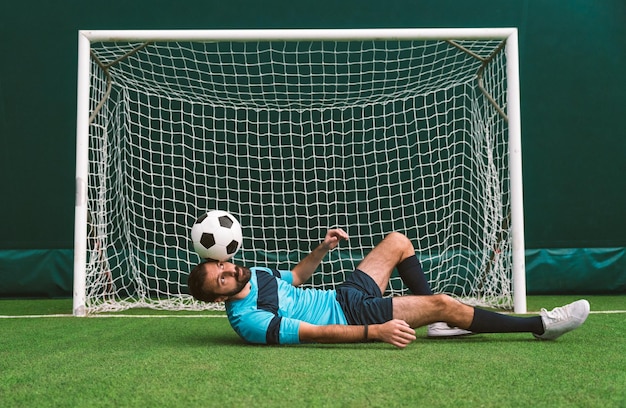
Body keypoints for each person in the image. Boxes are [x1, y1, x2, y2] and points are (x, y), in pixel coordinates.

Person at [188, 229, 590, 348]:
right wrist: (375, 332)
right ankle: (540, 324)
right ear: (220, 298)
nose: (228, 269)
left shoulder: (253, 272)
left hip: (343, 296)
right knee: (442, 304)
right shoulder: (249, 321)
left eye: (222, 264)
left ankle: (436, 325)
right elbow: (317, 333)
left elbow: (296, 278)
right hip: (352, 317)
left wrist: (322, 249)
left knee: (397, 242)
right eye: (221, 277)